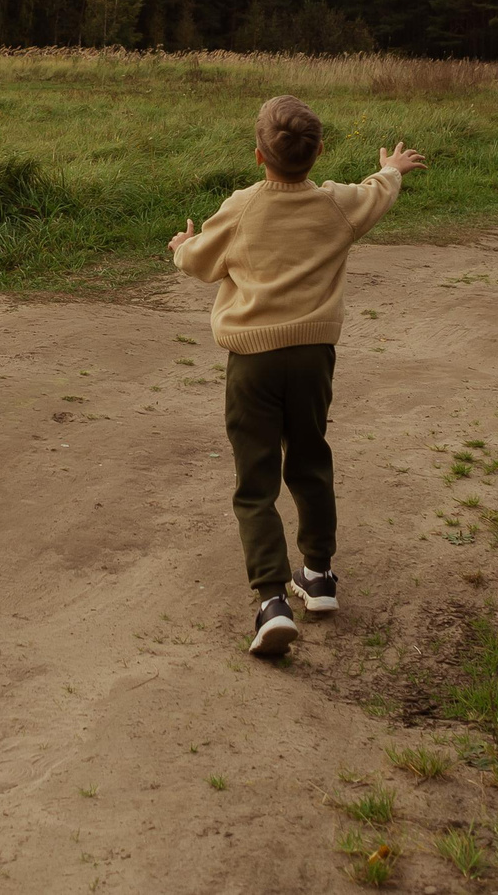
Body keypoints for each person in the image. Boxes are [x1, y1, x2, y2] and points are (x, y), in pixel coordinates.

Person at [171, 95, 426, 655]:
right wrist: (390, 167)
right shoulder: (335, 204)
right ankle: (319, 574)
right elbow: (376, 195)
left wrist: (183, 245)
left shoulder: (242, 206)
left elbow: (198, 263)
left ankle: (270, 600)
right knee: (310, 457)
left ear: (259, 155)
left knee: (255, 477)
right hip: (313, 357)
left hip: (253, 362)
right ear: (320, 153)